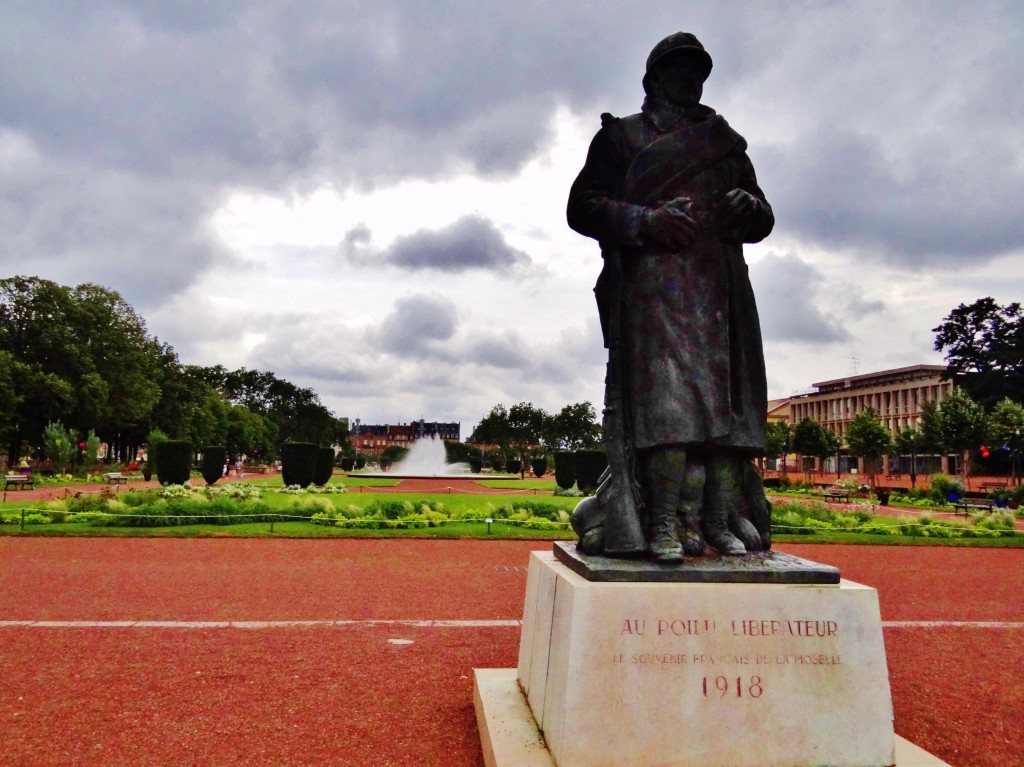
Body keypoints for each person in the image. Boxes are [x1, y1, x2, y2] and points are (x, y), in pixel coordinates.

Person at [567, 32, 773, 563]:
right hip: (654, 293)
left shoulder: (724, 142)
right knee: (668, 414)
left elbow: (763, 217)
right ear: (655, 77)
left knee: (730, 421)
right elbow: (583, 207)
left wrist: (748, 208)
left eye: (699, 69)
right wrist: (645, 220)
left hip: (721, 292)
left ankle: (716, 520)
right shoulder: (623, 138)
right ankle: (660, 524)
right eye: (681, 69)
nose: (692, 79)